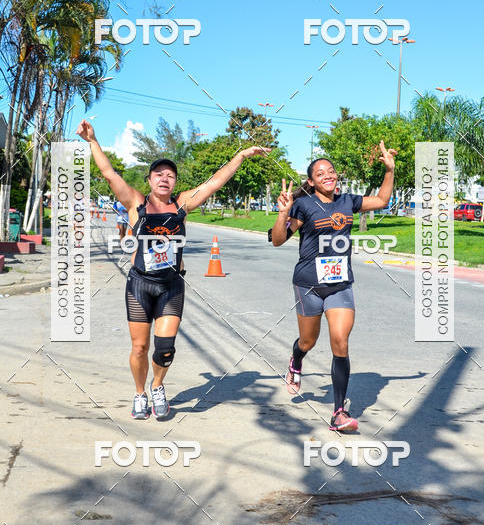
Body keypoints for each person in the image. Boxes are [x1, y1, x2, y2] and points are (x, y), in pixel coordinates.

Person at [76, 119, 269, 420]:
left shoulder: (182, 205)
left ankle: (157, 386)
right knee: (140, 347)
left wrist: (241, 156)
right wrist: (93, 141)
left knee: (165, 348)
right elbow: (109, 173)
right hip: (140, 284)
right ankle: (140, 393)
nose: (165, 179)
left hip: (170, 286)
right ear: (150, 180)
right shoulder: (136, 204)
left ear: (175, 182)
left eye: (170, 175)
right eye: (159, 175)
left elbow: (215, 182)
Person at [270, 141, 396, 431]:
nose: (328, 175)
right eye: (321, 173)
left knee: (340, 341)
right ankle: (296, 359)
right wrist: (282, 213)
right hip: (308, 285)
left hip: (340, 284)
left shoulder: (348, 201)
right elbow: (278, 240)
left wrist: (389, 170)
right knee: (308, 341)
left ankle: (338, 412)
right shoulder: (302, 205)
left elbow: (381, 200)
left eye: (331, 171)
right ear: (312, 181)